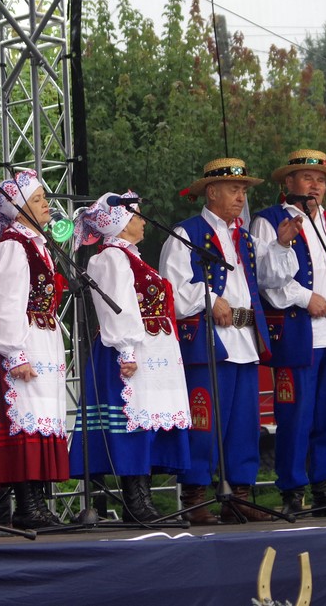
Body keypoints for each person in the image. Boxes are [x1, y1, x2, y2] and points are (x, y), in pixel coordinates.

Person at [159, 157, 302, 524]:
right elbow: (171, 288)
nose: (241, 197)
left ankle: (238, 497)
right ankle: (195, 498)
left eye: (243, 191)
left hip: (245, 341)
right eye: (234, 189)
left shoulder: (245, 238)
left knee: (243, 425)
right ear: (212, 192)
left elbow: (272, 278)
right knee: (204, 424)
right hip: (208, 343)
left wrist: (283, 244)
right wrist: (209, 297)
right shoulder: (186, 233)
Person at [251, 149, 326, 517]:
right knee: (295, 416)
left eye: (321, 180)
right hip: (296, 335)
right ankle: (292, 491)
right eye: (308, 178)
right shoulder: (268, 221)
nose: (316, 185)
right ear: (289, 182)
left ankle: (325, 488)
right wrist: (307, 298)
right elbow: (265, 279)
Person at [69, 192, 191, 523]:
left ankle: (141, 499)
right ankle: (136, 501)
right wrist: (126, 350)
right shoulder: (111, 258)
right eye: (136, 216)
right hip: (127, 353)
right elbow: (117, 307)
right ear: (122, 225)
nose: (142, 221)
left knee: (146, 422)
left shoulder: (132, 257)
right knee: (132, 425)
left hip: (151, 353)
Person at [0, 170, 69, 529]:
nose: (46, 203)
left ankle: (37, 503)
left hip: (44, 339)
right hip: (25, 341)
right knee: (27, 420)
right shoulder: (12, 246)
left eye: (43, 197)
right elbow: (4, 303)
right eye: (37, 199)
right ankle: (26, 506)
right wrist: (15, 353)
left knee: (43, 418)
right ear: (18, 209)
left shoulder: (38, 245)